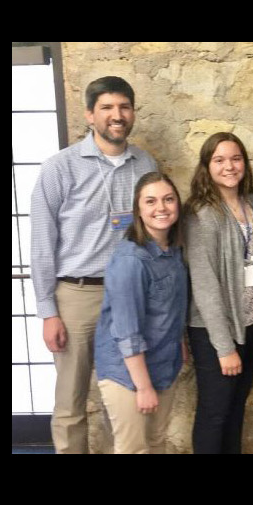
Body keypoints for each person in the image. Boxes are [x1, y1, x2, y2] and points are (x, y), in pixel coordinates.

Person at [29, 76, 159, 453]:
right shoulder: (59, 168)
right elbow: (41, 244)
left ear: (132, 113)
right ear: (89, 115)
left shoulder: (145, 164)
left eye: (123, 107)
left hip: (127, 296)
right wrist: (47, 311)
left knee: (122, 395)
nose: (116, 116)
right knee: (71, 401)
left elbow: (152, 234)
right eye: (106, 108)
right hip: (76, 296)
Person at [93, 172, 189, 454]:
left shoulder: (173, 252)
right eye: (151, 201)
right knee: (134, 449)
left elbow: (171, 307)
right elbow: (126, 331)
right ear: (138, 210)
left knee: (157, 442)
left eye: (168, 199)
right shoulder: (130, 260)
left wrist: (179, 341)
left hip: (163, 363)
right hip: (128, 373)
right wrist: (143, 387)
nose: (161, 208)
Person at [183, 132, 253, 454]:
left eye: (235, 158)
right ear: (207, 166)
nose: (229, 166)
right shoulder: (200, 213)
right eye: (219, 160)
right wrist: (223, 347)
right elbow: (204, 285)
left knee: (235, 410)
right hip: (216, 331)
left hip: (251, 323)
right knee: (214, 413)